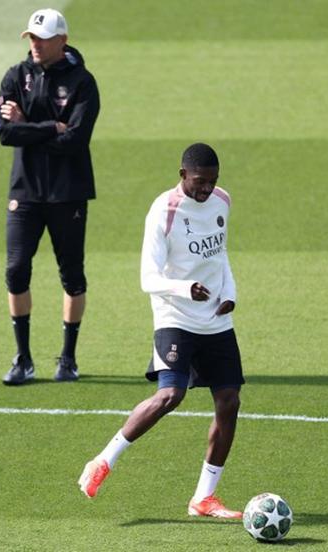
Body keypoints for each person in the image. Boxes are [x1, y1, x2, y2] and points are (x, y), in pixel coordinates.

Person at [78, 143, 244, 519]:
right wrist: (185, 289)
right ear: (182, 174)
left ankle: (204, 498)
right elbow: (148, 278)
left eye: (213, 181)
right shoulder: (163, 211)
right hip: (175, 316)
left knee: (229, 402)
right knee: (170, 395)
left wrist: (230, 294)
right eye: (200, 181)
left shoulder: (222, 201)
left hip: (215, 318)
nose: (207, 189)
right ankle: (104, 461)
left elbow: (219, 254)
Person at [0, 8, 100, 384]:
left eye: (42, 38)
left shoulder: (83, 83)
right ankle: (23, 359)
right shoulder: (15, 77)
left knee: (71, 275)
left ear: (62, 41)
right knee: (15, 269)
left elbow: (75, 140)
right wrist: (50, 127)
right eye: (32, 38)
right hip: (25, 192)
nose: (35, 44)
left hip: (67, 193)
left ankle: (68, 359)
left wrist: (27, 125)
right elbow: (5, 134)